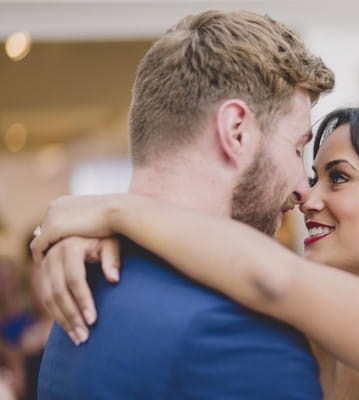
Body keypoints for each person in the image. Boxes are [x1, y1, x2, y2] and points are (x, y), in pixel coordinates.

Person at [32, 76, 359, 399]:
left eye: (337, 178)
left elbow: (271, 277)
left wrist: (111, 209)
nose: (306, 197)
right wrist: (91, 240)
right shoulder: (308, 334)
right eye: (312, 176)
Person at [32, 9, 334, 400]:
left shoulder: (83, 285)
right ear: (236, 131)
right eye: (296, 148)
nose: (302, 188)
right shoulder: (236, 335)